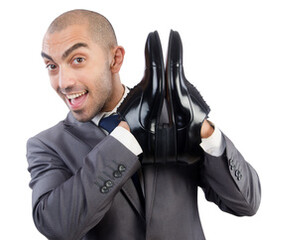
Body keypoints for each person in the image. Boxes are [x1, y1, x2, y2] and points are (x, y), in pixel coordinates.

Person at [28, 9, 260, 239]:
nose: (63, 82)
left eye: (78, 60)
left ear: (115, 59)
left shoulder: (174, 119)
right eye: (52, 66)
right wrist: (126, 136)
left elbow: (246, 204)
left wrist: (204, 130)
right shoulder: (47, 145)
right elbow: (57, 225)